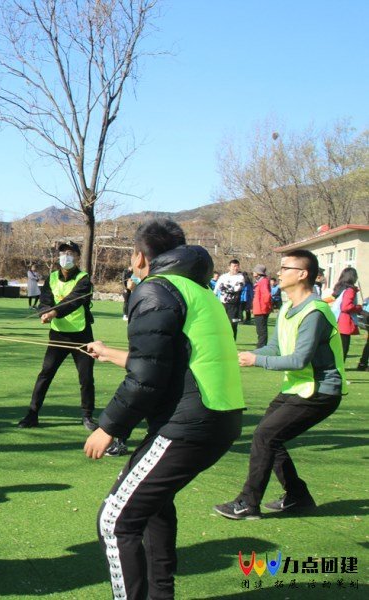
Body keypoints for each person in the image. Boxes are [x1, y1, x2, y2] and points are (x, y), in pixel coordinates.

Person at [84, 218, 244, 600]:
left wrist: (109, 427)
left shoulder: (155, 289)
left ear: (140, 257)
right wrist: (109, 353)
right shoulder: (199, 291)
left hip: (188, 424)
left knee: (115, 521)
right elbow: (168, 361)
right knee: (154, 507)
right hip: (219, 419)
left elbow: (147, 377)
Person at [214, 249, 346, 520]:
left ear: (302, 274)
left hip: (319, 390)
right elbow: (275, 348)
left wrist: (256, 361)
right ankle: (298, 496)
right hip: (298, 387)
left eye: (286, 268)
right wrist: (242, 355)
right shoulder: (288, 307)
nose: (279, 272)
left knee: (266, 436)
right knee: (268, 438)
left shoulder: (315, 312)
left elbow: (298, 360)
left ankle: (248, 503)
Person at [17, 242, 97, 431]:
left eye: (70, 253)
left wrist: (54, 312)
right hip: (58, 335)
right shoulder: (52, 278)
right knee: (45, 374)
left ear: (77, 257)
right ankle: (32, 414)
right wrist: (45, 312)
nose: (65, 256)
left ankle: (87, 416)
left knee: (86, 377)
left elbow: (73, 301)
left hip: (81, 334)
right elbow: (44, 300)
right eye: (62, 253)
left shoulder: (84, 279)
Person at [330, 267, 362, 360]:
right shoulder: (350, 290)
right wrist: (358, 308)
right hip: (345, 322)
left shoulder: (340, 288)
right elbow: (346, 307)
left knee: (338, 348)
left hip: (338, 320)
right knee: (343, 349)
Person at [215, 259, 245, 339]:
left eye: (237, 266)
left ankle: (232, 341)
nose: (236, 268)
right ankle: (223, 340)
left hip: (234, 305)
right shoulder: (223, 277)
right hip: (223, 304)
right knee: (222, 324)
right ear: (229, 267)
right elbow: (217, 288)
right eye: (234, 266)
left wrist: (224, 287)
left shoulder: (240, 277)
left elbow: (236, 289)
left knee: (233, 324)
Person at [251, 264, 272, 348]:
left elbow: (266, 295)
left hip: (261, 310)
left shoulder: (263, 281)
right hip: (259, 309)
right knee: (260, 330)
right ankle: (261, 346)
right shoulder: (260, 281)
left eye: (254, 271)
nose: (253, 272)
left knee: (261, 331)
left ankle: (261, 347)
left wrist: (266, 306)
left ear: (258, 272)